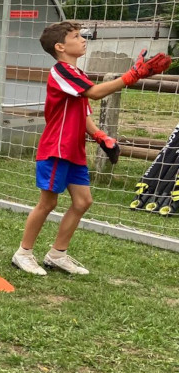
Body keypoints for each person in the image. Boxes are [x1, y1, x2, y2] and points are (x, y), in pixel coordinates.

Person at [12, 21, 170, 276]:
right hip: (56, 148)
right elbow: (95, 93)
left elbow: (83, 111)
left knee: (83, 201)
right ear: (61, 46)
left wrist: (100, 136)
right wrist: (131, 76)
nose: (83, 39)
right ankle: (23, 253)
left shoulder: (77, 73)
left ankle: (57, 254)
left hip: (73, 150)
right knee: (47, 203)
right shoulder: (61, 71)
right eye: (76, 36)